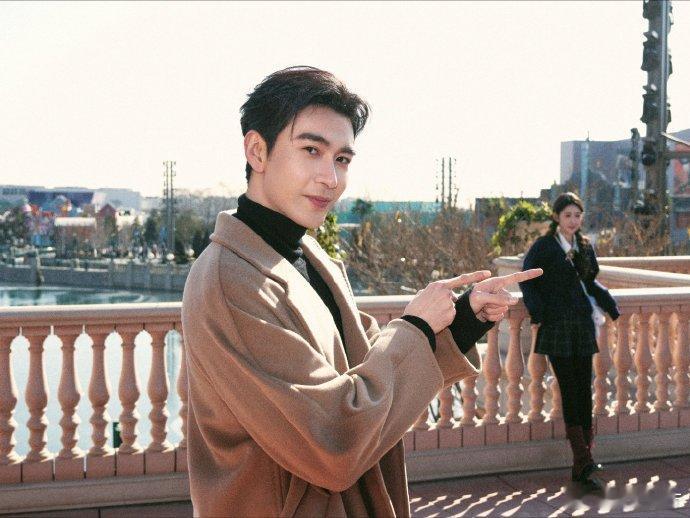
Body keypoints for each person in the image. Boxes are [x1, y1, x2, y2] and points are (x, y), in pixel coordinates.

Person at [181, 66, 542, 516]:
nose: (331, 178)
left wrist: (465, 317)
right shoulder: (229, 281)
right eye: (311, 150)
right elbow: (332, 443)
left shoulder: (307, 254)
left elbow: (365, 363)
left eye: (342, 159)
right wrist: (415, 325)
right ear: (257, 150)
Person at [519, 191, 619, 492]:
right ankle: (583, 459)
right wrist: (538, 312)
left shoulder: (584, 246)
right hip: (557, 325)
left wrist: (609, 303)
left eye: (577, 215)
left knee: (585, 390)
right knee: (569, 390)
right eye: (568, 215)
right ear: (556, 217)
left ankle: (583, 463)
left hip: (582, 324)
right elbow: (527, 278)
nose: (573, 221)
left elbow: (589, 281)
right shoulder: (545, 246)